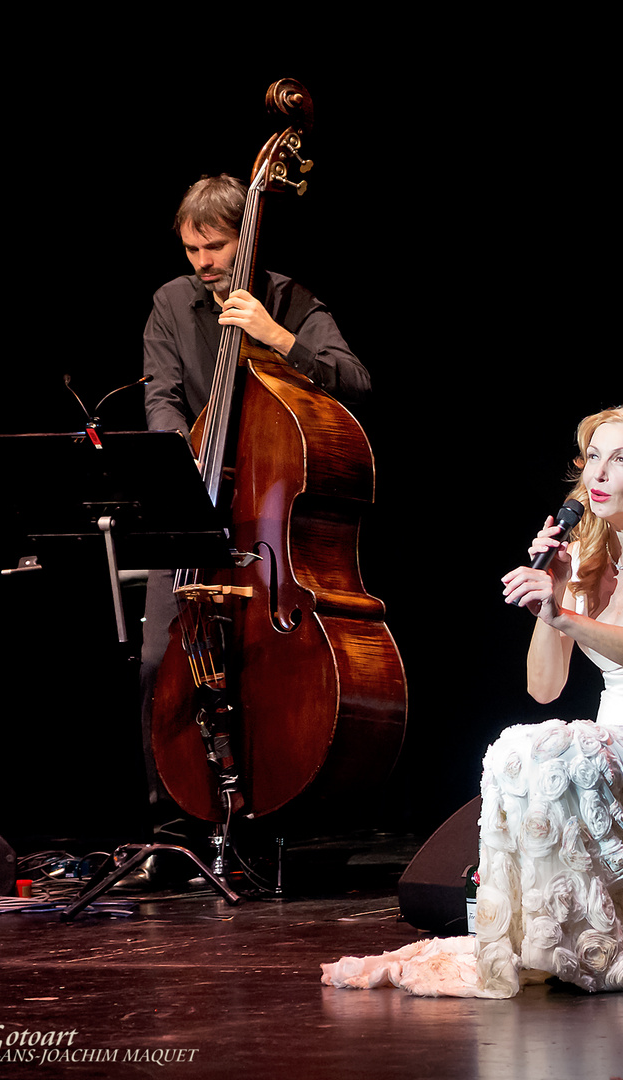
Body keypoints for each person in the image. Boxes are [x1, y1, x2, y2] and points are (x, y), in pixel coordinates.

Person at [323, 403, 623, 998]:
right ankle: (543, 941)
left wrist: (566, 614)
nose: (599, 474)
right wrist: (551, 598)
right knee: (515, 747)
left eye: (622, 459)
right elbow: (543, 687)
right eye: (593, 457)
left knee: (555, 752)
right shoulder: (584, 560)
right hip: (622, 736)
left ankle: (603, 946)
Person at [140, 174, 371, 808]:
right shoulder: (171, 302)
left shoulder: (291, 300)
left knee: (267, 675)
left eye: (214, 247)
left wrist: (278, 338)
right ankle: (170, 828)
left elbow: (355, 380)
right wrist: (183, 451)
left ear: (247, 239)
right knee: (162, 669)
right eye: (192, 250)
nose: (203, 263)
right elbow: (159, 394)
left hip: (268, 526)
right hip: (194, 509)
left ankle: (269, 810)